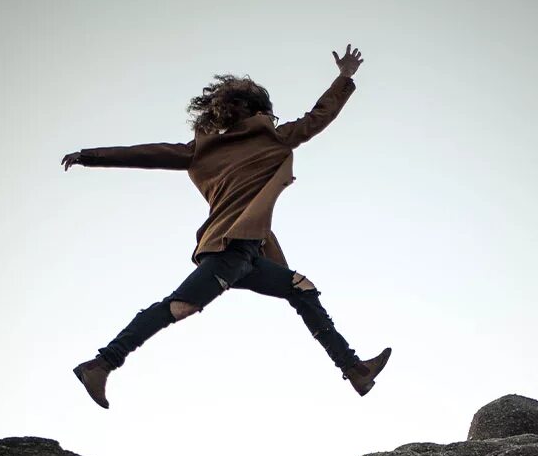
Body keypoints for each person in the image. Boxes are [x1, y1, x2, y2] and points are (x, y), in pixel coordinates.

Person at [62, 45, 390, 409]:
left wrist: (90, 156)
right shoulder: (273, 138)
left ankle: (354, 369)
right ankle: (103, 363)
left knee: (301, 288)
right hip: (229, 250)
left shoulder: (201, 149)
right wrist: (344, 77)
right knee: (180, 306)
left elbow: (146, 152)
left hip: (248, 252)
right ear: (259, 111)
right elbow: (318, 117)